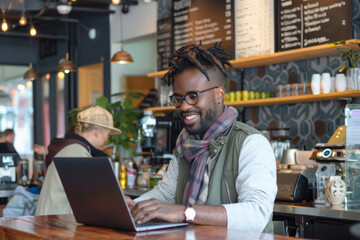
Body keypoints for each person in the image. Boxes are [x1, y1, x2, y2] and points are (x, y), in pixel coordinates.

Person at [126, 43, 277, 233]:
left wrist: (186, 213)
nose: (184, 106)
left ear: (219, 94)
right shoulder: (186, 143)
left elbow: (256, 214)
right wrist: (132, 206)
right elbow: (167, 193)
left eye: (193, 96)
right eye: (179, 98)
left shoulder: (251, 143)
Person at [35, 106, 121, 216]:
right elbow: (88, 197)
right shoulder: (77, 152)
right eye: (107, 134)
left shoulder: (70, 147)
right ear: (97, 132)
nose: (106, 139)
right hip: (56, 224)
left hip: (50, 219)